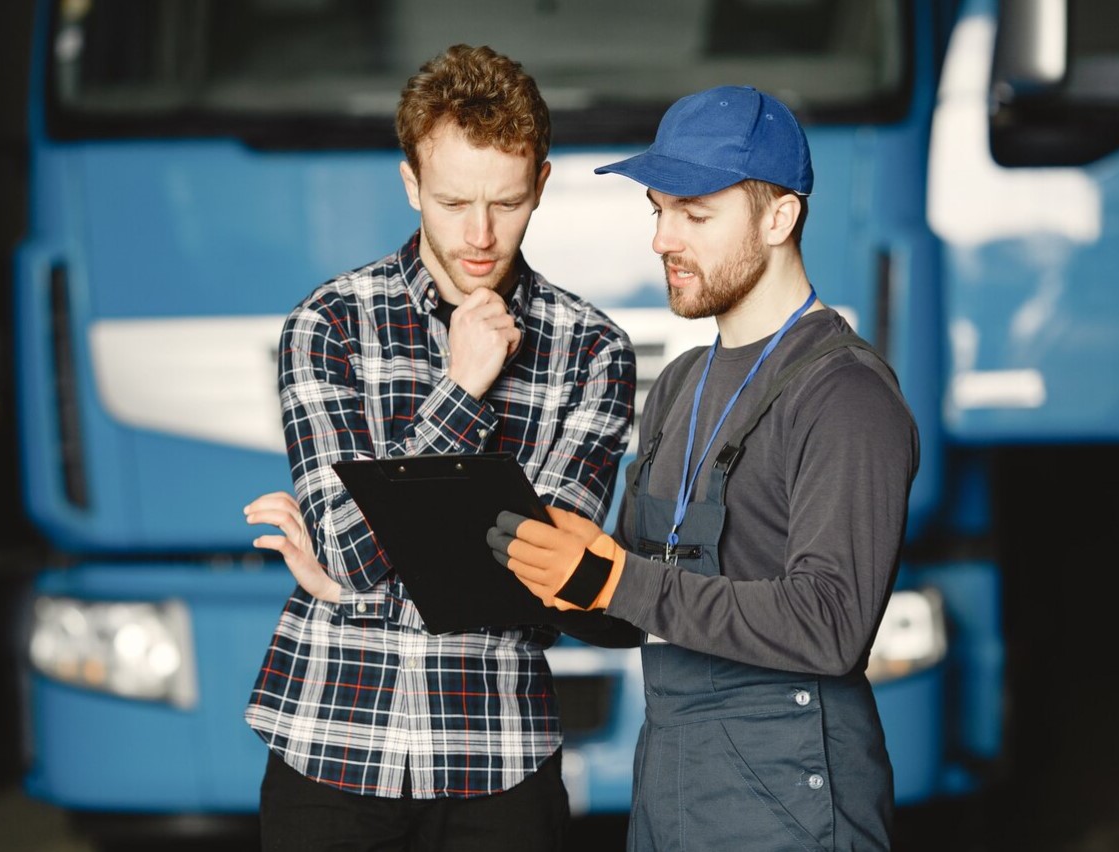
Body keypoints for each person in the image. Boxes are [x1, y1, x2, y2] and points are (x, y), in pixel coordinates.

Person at [487, 85, 920, 850]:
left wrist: (614, 577)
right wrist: (549, 576)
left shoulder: (843, 395)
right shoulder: (682, 384)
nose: (662, 240)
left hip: (792, 806)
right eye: (659, 210)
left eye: (695, 214)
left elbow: (831, 627)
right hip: (673, 796)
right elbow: (634, 605)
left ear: (779, 217)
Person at [242, 44, 636, 852]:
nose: (482, 235)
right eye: (454, 202)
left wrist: (363, 571)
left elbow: (543, 574)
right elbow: (354, 554)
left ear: (543, 186)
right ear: (411, 184)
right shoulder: (328, 325)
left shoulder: (595, 349)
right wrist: (463, 389)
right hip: (332, 745)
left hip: (501, 755)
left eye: (508, 202)